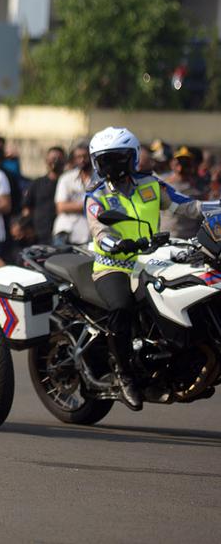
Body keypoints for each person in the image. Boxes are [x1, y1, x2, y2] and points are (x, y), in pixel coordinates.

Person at [84, 127, 206, 411]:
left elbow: (186, 207)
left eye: (119, 159)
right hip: (112, 265)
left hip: (153, 260)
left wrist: (215, 208)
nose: (112, 166)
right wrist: (113, 242)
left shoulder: (151, 185)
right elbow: (97, 228)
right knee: (122, 307)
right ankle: (123, 374)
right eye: (106, 160)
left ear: (133, 158)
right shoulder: (96, 194)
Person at [160, 146, 208, 239]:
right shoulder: (163, 184)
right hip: (167, 238)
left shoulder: (199, 187)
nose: (182, 166)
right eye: (179, 161)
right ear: (172, 164)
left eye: (186, 162)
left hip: (190, 238)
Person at [23, 146, 65, 245]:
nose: (55, 162)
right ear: (46, 161)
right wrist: (27, 226)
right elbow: (27, 209)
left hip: (62, 234)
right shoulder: (37, 183)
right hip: (39, 234)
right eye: (52, 159)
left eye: (58, 159)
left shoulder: (68, 182)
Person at [53, 143, 93, 245]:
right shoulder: (66, 178)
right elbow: (61, 207)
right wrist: (90, 205)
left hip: (89, 235)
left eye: (85, 156)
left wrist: (73, 205)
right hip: (65, 232)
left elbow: (105, 205)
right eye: (78, 157)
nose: (82, 160)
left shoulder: (100, 179)